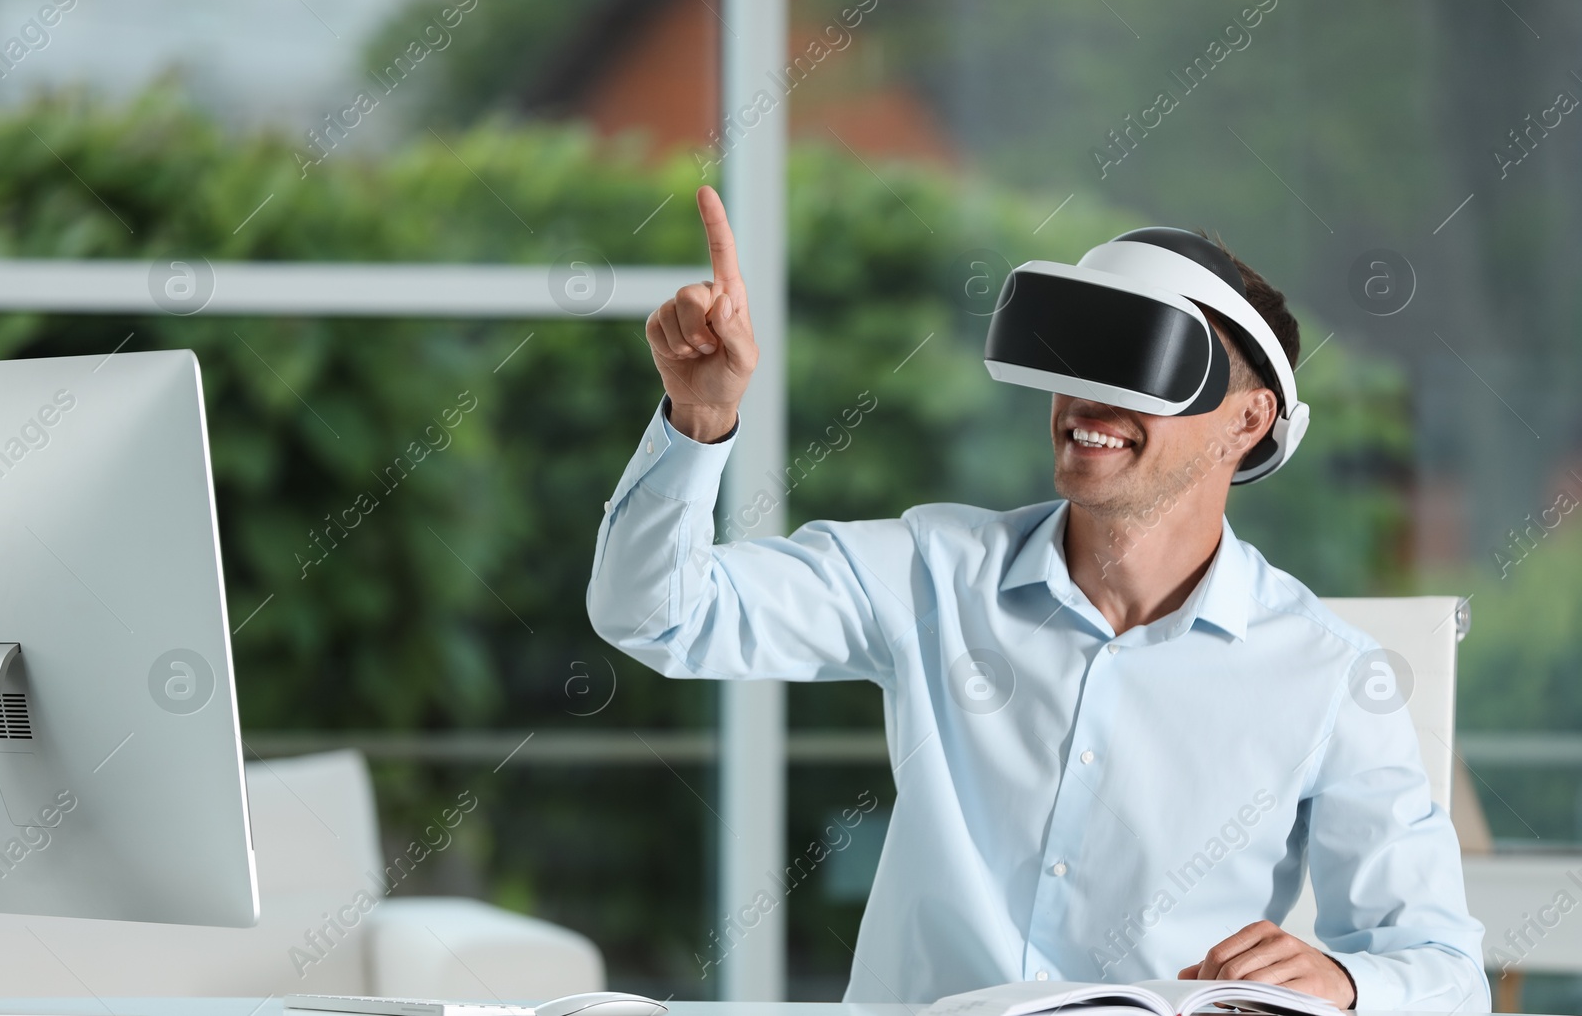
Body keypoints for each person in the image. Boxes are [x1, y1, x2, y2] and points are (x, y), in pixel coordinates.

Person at [586, 185, 1489, 1011]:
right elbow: (656, 612)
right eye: (1078, 355)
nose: (1085, 399)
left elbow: (1446, 974)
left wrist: (1347, 979)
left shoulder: (1328, 676)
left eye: (1138, 363)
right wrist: (697, 426)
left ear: (1247, 421)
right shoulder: (932, 570)